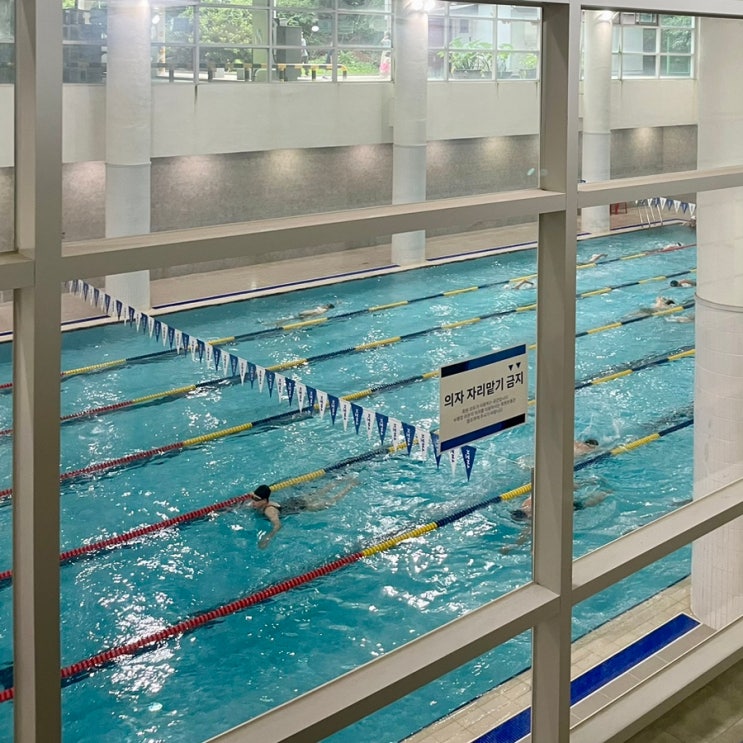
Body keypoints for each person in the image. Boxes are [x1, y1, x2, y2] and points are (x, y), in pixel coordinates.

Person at [248, 479, 356, 548]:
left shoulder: (269, 511)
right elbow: (253, 494)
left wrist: (267, 538)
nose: (253, 502)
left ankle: (350, 486)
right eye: (253, 498)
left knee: (331, 501)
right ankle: (341, 480)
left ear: (265, 500)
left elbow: (278, 525)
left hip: (300, 507)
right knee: (320, 492)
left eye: (256, 500)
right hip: (293, 501)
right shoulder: (261, 501)